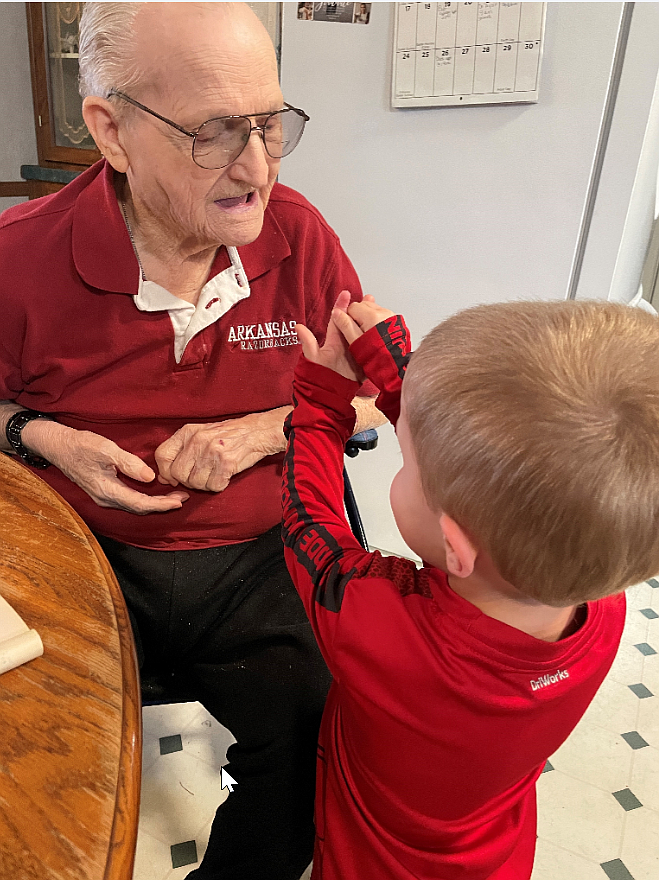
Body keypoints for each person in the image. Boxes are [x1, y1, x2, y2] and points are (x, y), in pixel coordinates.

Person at [0, 4, 381, 878]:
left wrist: (266, 430)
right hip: (78, 551)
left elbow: (375, 397)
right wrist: (42, 435)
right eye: (214, 132)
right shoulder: (20, 257)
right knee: (35, 753)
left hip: (257, 556)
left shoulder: (300, 235)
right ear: (112, 130)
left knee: (319, 741)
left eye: (268, 123)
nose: (256, 167)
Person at [282, 294, 659, 879]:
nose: (405, 463)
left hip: (368, 862)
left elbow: (312, 528)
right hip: (496, 857)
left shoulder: (380, 629)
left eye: (405, 461)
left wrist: (320, 401)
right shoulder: (602, 603)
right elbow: (503, 473)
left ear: (455, 547)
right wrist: (394, 367)